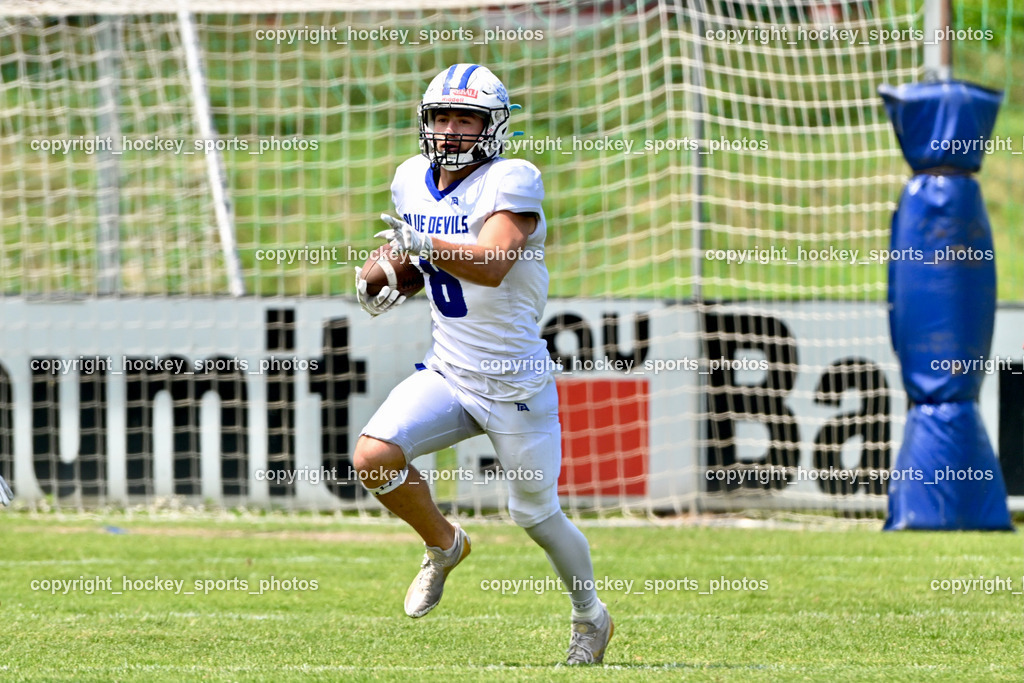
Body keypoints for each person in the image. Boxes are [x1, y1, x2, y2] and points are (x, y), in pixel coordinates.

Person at [352, 63, 613, 665]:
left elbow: (493, 261)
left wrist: (423, 246)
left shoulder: (513, 179)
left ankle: (590, 618)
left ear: (491, 126)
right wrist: (391, 272)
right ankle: (444, 546)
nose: (449, 130)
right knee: (373, 456)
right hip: (448, 371)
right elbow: (425, 263)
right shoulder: (410, 179)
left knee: (536, 515)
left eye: (464, 118)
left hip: (515, 381)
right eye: (441, 116)